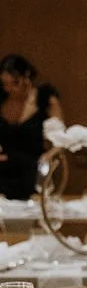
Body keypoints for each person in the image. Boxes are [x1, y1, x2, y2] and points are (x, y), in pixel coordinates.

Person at [0, 54, 62, 199]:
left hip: (31, 173)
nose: (9, 89)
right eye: (5, 84)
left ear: (26, 76)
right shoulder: (1, 98)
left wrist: (48, 157)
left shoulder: (44, 99)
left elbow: (61, 140)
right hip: (3, 174)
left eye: (14, 83)